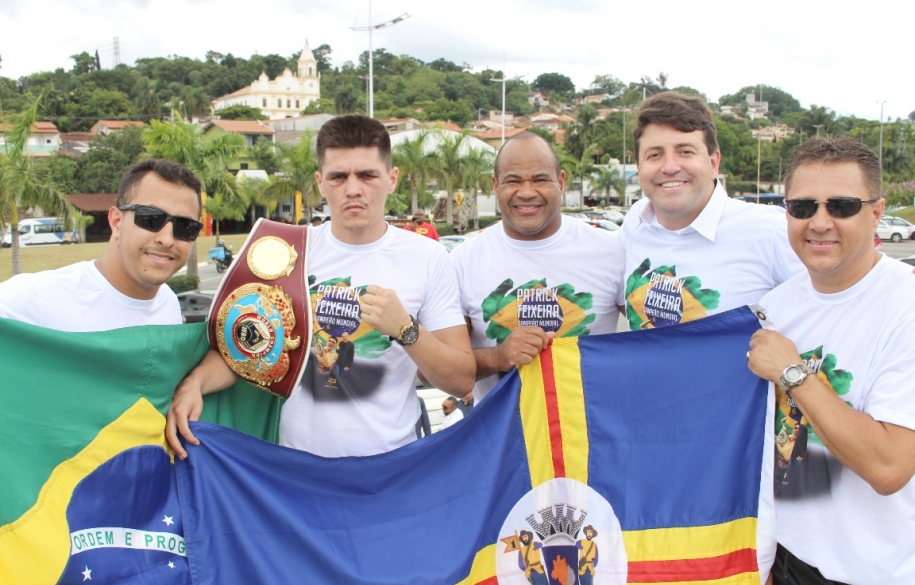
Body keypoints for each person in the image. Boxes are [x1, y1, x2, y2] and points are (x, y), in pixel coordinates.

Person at [167, 115, 475, 459]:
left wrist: (406, 330)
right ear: (319, 182)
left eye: (367, 175)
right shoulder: (284, 250)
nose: (353, 188)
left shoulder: (428, 257)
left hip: (390, 470)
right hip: (296, 470)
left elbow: (461, 380)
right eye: (339, 176)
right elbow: (244, 348)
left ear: (392, 179)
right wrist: (195, 383)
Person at [748, 137, 915, 585]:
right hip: (790, 568)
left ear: (877, 211)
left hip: (881, 582)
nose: (819, 222)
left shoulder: (906, 307)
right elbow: (765, 459)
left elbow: (889, 467)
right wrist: (761, 559)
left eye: (841, 205)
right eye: (803, 206)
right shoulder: (774, 309)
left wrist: (793, 374)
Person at [451, 132, 625, 400]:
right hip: (503, 438)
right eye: (513, 181)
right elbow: (437, 371)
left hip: (593, 433)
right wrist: (499, 356)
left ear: (562, 182)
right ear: (496, 185)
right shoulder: (463, 261)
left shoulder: (611, 250)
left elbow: (658, 345)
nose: (527, 192)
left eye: (540, 180)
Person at [619, 91, 803, 330]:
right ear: (639, 167)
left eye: (685, 151)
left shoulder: (771, 231)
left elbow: (829, 309)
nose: (670, 167)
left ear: (714, 163)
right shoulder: (634, 222)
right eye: (654, 155)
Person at [0, 159, 202, 331]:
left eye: (186, 227)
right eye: (150, 218)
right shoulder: (36, 299)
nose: (166, 239)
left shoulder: (168, 304)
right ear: (116, 221)